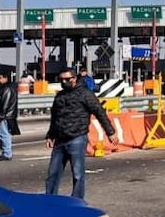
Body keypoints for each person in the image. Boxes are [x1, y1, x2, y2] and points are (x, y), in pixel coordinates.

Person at [45, 67, 117, 201]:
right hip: (60, 139)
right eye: (61, 80)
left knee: (78, 174)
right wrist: (50, 135)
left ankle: (77, 200)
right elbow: (55, 117)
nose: (64, 82)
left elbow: (99, 112)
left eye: (67, 79)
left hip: (77, 138)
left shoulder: (85, 94)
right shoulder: (60, 96)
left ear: (74, 79)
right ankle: (49, 200)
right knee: (53, 174)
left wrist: (110, 132)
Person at [0, 72, 20, 161]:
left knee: (3, 134)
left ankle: (6, 153)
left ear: (6, 78)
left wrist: (0, 117)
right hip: (6, 115)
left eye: (0, 78)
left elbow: (5, 104)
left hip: (5, 116)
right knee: (3, 134)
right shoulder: (6, 88)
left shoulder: (7, 89)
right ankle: (6, 153)